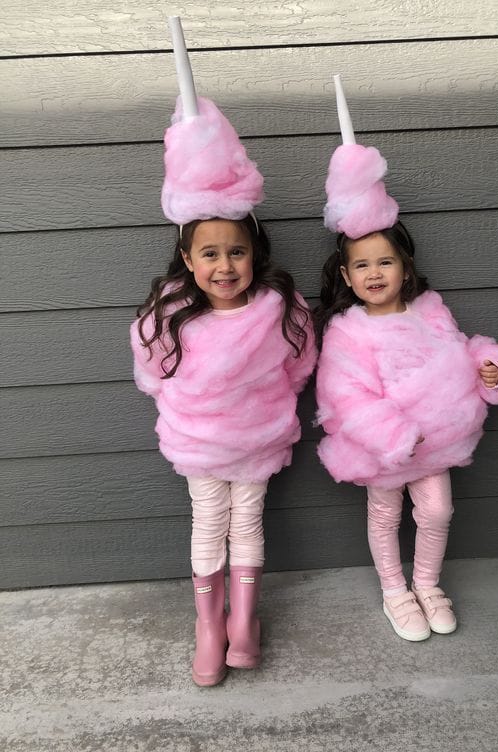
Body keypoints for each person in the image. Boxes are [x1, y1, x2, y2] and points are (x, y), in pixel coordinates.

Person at [131, 26, 316, 686]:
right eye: (209, 253)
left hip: (256, 438)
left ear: (254, 253)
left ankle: (241, 624)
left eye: (237, 251)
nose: (225, 265)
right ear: (187, 258)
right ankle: (213, 630)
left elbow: (299, 363)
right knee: (212, 522)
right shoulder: (171, 312)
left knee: (247, 522)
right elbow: (155, 373)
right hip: (202, 444)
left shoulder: (277, 306)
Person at [314, 76, 498, 642]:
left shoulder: (429, 310)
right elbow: (343, 396)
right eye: (362, 266)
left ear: (404, 266)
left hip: (437, 443)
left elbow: (458, 351)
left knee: (436, 513)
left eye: (385, 263)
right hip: (388, 446)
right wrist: (393, 434)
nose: (374, 274)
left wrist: (489, 367)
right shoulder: (347, 331)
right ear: (346, 275)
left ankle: (427, 584)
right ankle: (394, 591)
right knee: (384, 516)